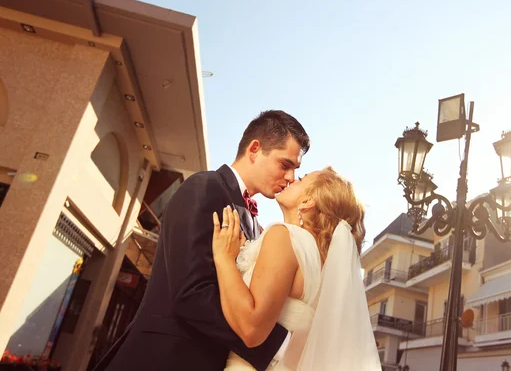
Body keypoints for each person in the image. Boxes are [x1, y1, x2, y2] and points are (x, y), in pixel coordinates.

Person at [99, 110, 310, 371]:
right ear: (255, 149)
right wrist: (273, 344)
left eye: (296, 170)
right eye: (285, 165)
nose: (290, 178)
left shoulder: (258, 227)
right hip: (163, 359)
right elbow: (191, 292)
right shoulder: (205, 186)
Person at [212, 167, 381, 370]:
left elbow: (251, 330)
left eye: (301, 179)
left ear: (308, 201)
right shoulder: (324, 265)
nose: (291, 179)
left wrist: (224, 259)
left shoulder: (283, 236)